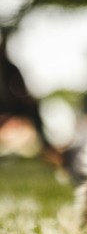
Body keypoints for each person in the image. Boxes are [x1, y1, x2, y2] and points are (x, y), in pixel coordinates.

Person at [0, 29, 58, 159]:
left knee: (33, 107)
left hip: (11, 106)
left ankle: (45, 145)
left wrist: (25, 99)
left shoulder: (11, 68)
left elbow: (20, 90)